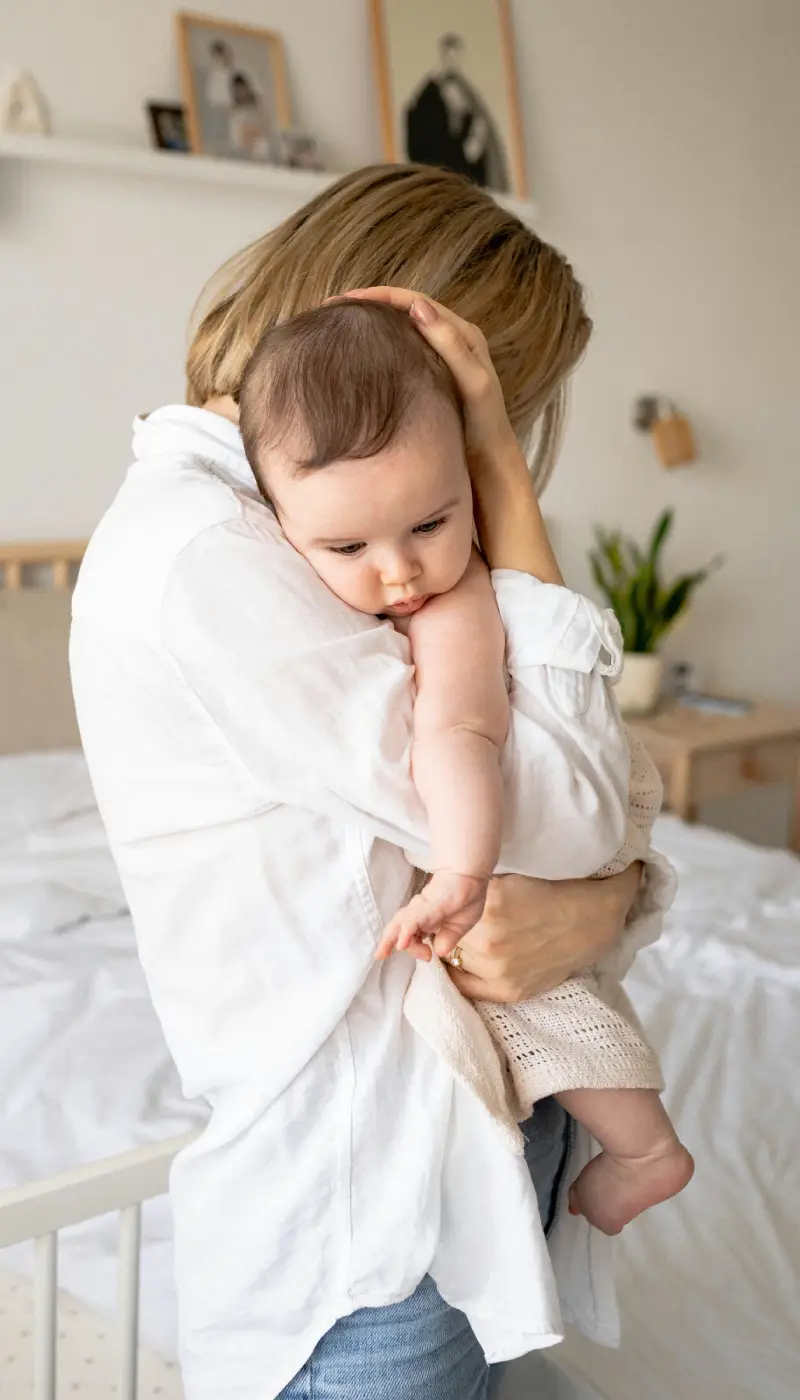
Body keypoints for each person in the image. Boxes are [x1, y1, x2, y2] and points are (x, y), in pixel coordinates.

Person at [70, 164, 676, 1400]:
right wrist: (501, 475)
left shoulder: (315, 530)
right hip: (366, 1237)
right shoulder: (210, 556)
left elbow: (585, 805)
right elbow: (568, 807)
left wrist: (609, 893)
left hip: (476, 1163)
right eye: (497, 398)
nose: (392, 562)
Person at [238, 297, 693, 1236]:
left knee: (548, 1011)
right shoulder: (246, 579)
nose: (401, 571)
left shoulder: (451, 608)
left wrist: (462, 873)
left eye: (434, 523)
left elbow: (460, 738)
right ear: (274, 524)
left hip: (513, 862)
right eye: (348, 547)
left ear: (469, 489)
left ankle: (648, 1151)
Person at [405, 33, 508, 191]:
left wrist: (474, 141)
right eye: (451, 57)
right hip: (443, 169)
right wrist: (465, 149)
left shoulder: (463, 89)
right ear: (444, 55)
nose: (455, 62)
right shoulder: (429, 95)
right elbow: (424, 135)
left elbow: (475, 125)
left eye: (458, 58)